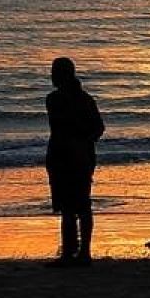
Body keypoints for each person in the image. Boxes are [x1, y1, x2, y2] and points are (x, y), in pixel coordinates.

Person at [44, 57, 105, 268]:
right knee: (82, 204)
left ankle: (70, 253)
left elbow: (60, 126)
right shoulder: (86, 99)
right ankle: (83, 252)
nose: (51, 76)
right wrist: (86, 138)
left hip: (64, 156)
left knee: (69, 207)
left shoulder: (54, 99)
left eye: (54, 72)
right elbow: (98, 128)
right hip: (83, 156)